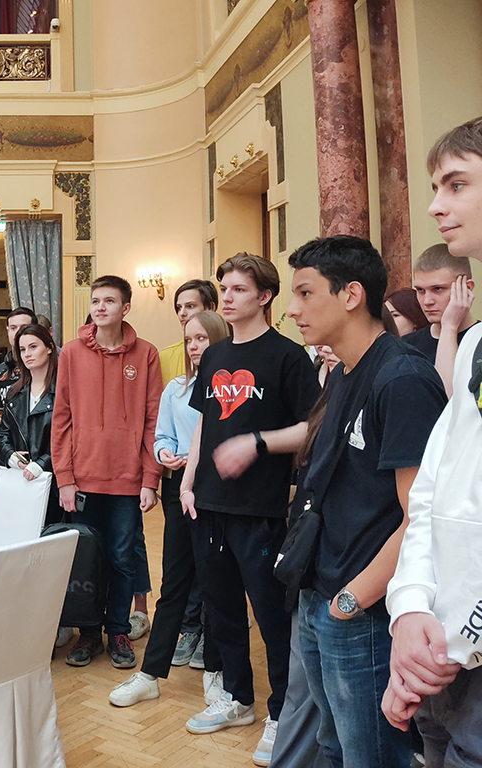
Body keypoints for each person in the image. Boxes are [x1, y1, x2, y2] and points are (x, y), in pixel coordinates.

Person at [286, 235, 446, 767]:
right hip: (323, 592)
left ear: (351, 294)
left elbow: (421, 515)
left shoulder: (402, 378)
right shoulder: (344, 372)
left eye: (306, 293)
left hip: (364, 610)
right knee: (333, 746)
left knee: (371, 756)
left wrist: (351, 600)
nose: (293, 309)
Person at [179, 253, 319, 765]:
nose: (228, 297)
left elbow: (313, 428)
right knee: (221, 610)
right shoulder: (215, 355)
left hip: (260, 509)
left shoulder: (289, 357)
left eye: (239, 289)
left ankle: (282, 711)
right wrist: (188, 480)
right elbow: (205, 421)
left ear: (264, 296)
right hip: (207, 504)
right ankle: (238, 698)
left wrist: (257, 444)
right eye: (225, 289)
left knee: (271, 615)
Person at [384, 116, 482, 766]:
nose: (435, 206)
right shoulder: (473, 345)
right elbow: (433, 492)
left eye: (456, 184)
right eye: (434, 187)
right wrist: (412, 609)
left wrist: (453, 644)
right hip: (444, 651)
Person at [109, 310, 229, 709]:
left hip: (217, 491)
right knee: (174, 583)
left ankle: (216, 672)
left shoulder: (232, 392)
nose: (194, 347)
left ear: (218, 340)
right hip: (178, 488)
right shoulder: (175, 389)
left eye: (202, 339)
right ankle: (149, 674)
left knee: (215, 585)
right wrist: (163, 453)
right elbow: (161, 435)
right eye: (189, 339)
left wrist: (197, 460)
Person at [52, 275, 161, 670]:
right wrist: (65, 479)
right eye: (96, 300)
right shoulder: (70, 352)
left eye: (109, 301)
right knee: (86, 560)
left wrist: (150, 479)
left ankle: (117, 630)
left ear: (125, 308)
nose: (100, 307)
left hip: (128, 481)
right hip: (82, 479)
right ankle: (87, 633)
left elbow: (153, 420)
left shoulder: (146, 354)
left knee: (122, 559)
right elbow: (61, 419)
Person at [0, 323, 61, 526]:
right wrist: (9, 456)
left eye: (33, 347)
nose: (27, 354)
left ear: (49, 348)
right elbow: (3, 433)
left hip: (55, 484)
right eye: (22, 349)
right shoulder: (15, 393)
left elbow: (71, 438)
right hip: (21, 482)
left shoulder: (63, 391)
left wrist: (42, 463)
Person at [404, 244, 477, 397]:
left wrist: (449, 327)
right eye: (420, 290)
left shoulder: (478, 339)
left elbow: (448, 401)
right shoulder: (406, 346)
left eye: (438, 289)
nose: (427, 301)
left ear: (467, 288)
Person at [0, 306, 38, 479]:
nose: (17, 332)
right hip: (6, 454)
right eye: (13, 328)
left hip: (39, 456)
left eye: (23, 327)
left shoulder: (46, 370)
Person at [159, 279, 219, 386]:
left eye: (190, 306)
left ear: (210, 308)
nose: (182, 313)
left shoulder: (230, 350)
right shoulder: (166, 356)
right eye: (179, 308)